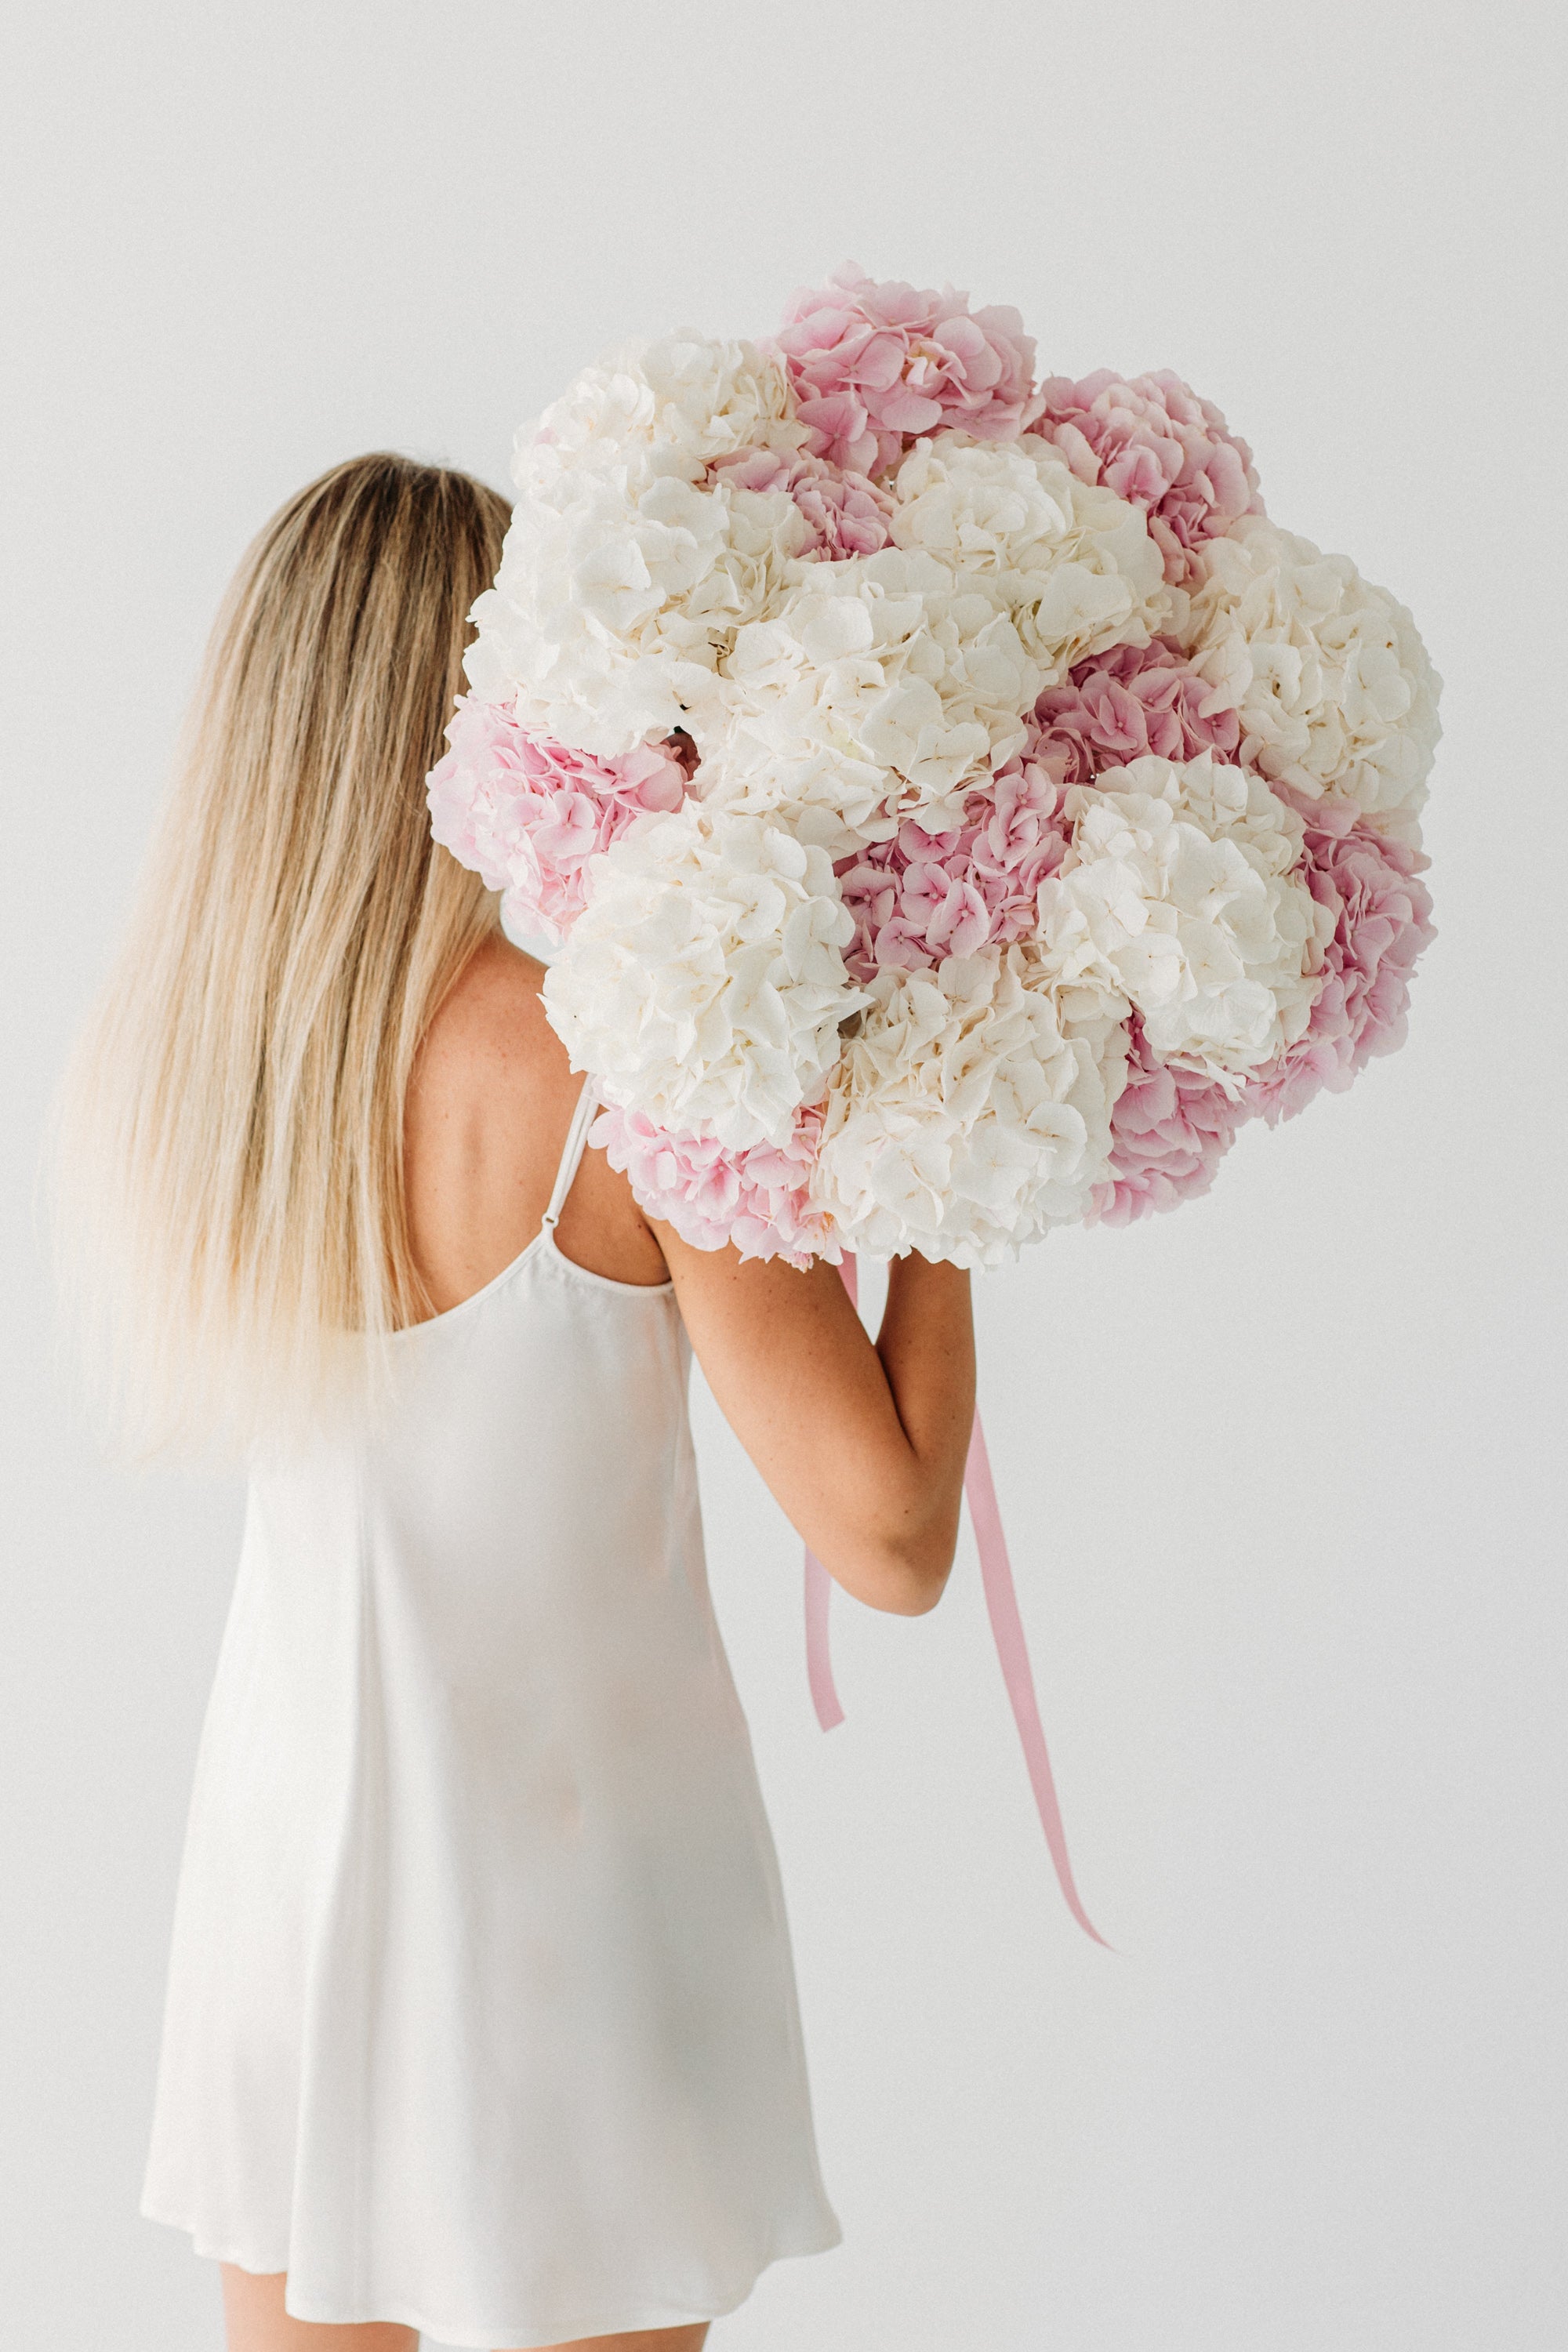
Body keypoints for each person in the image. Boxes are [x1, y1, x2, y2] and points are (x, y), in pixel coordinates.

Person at [54, 452, 977, 2352]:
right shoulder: (624, 1059)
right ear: (494, 698)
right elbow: (888, 1540)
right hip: (574, 1898)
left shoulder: (180, 1074)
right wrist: (945, 1195)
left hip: (287, 1882)